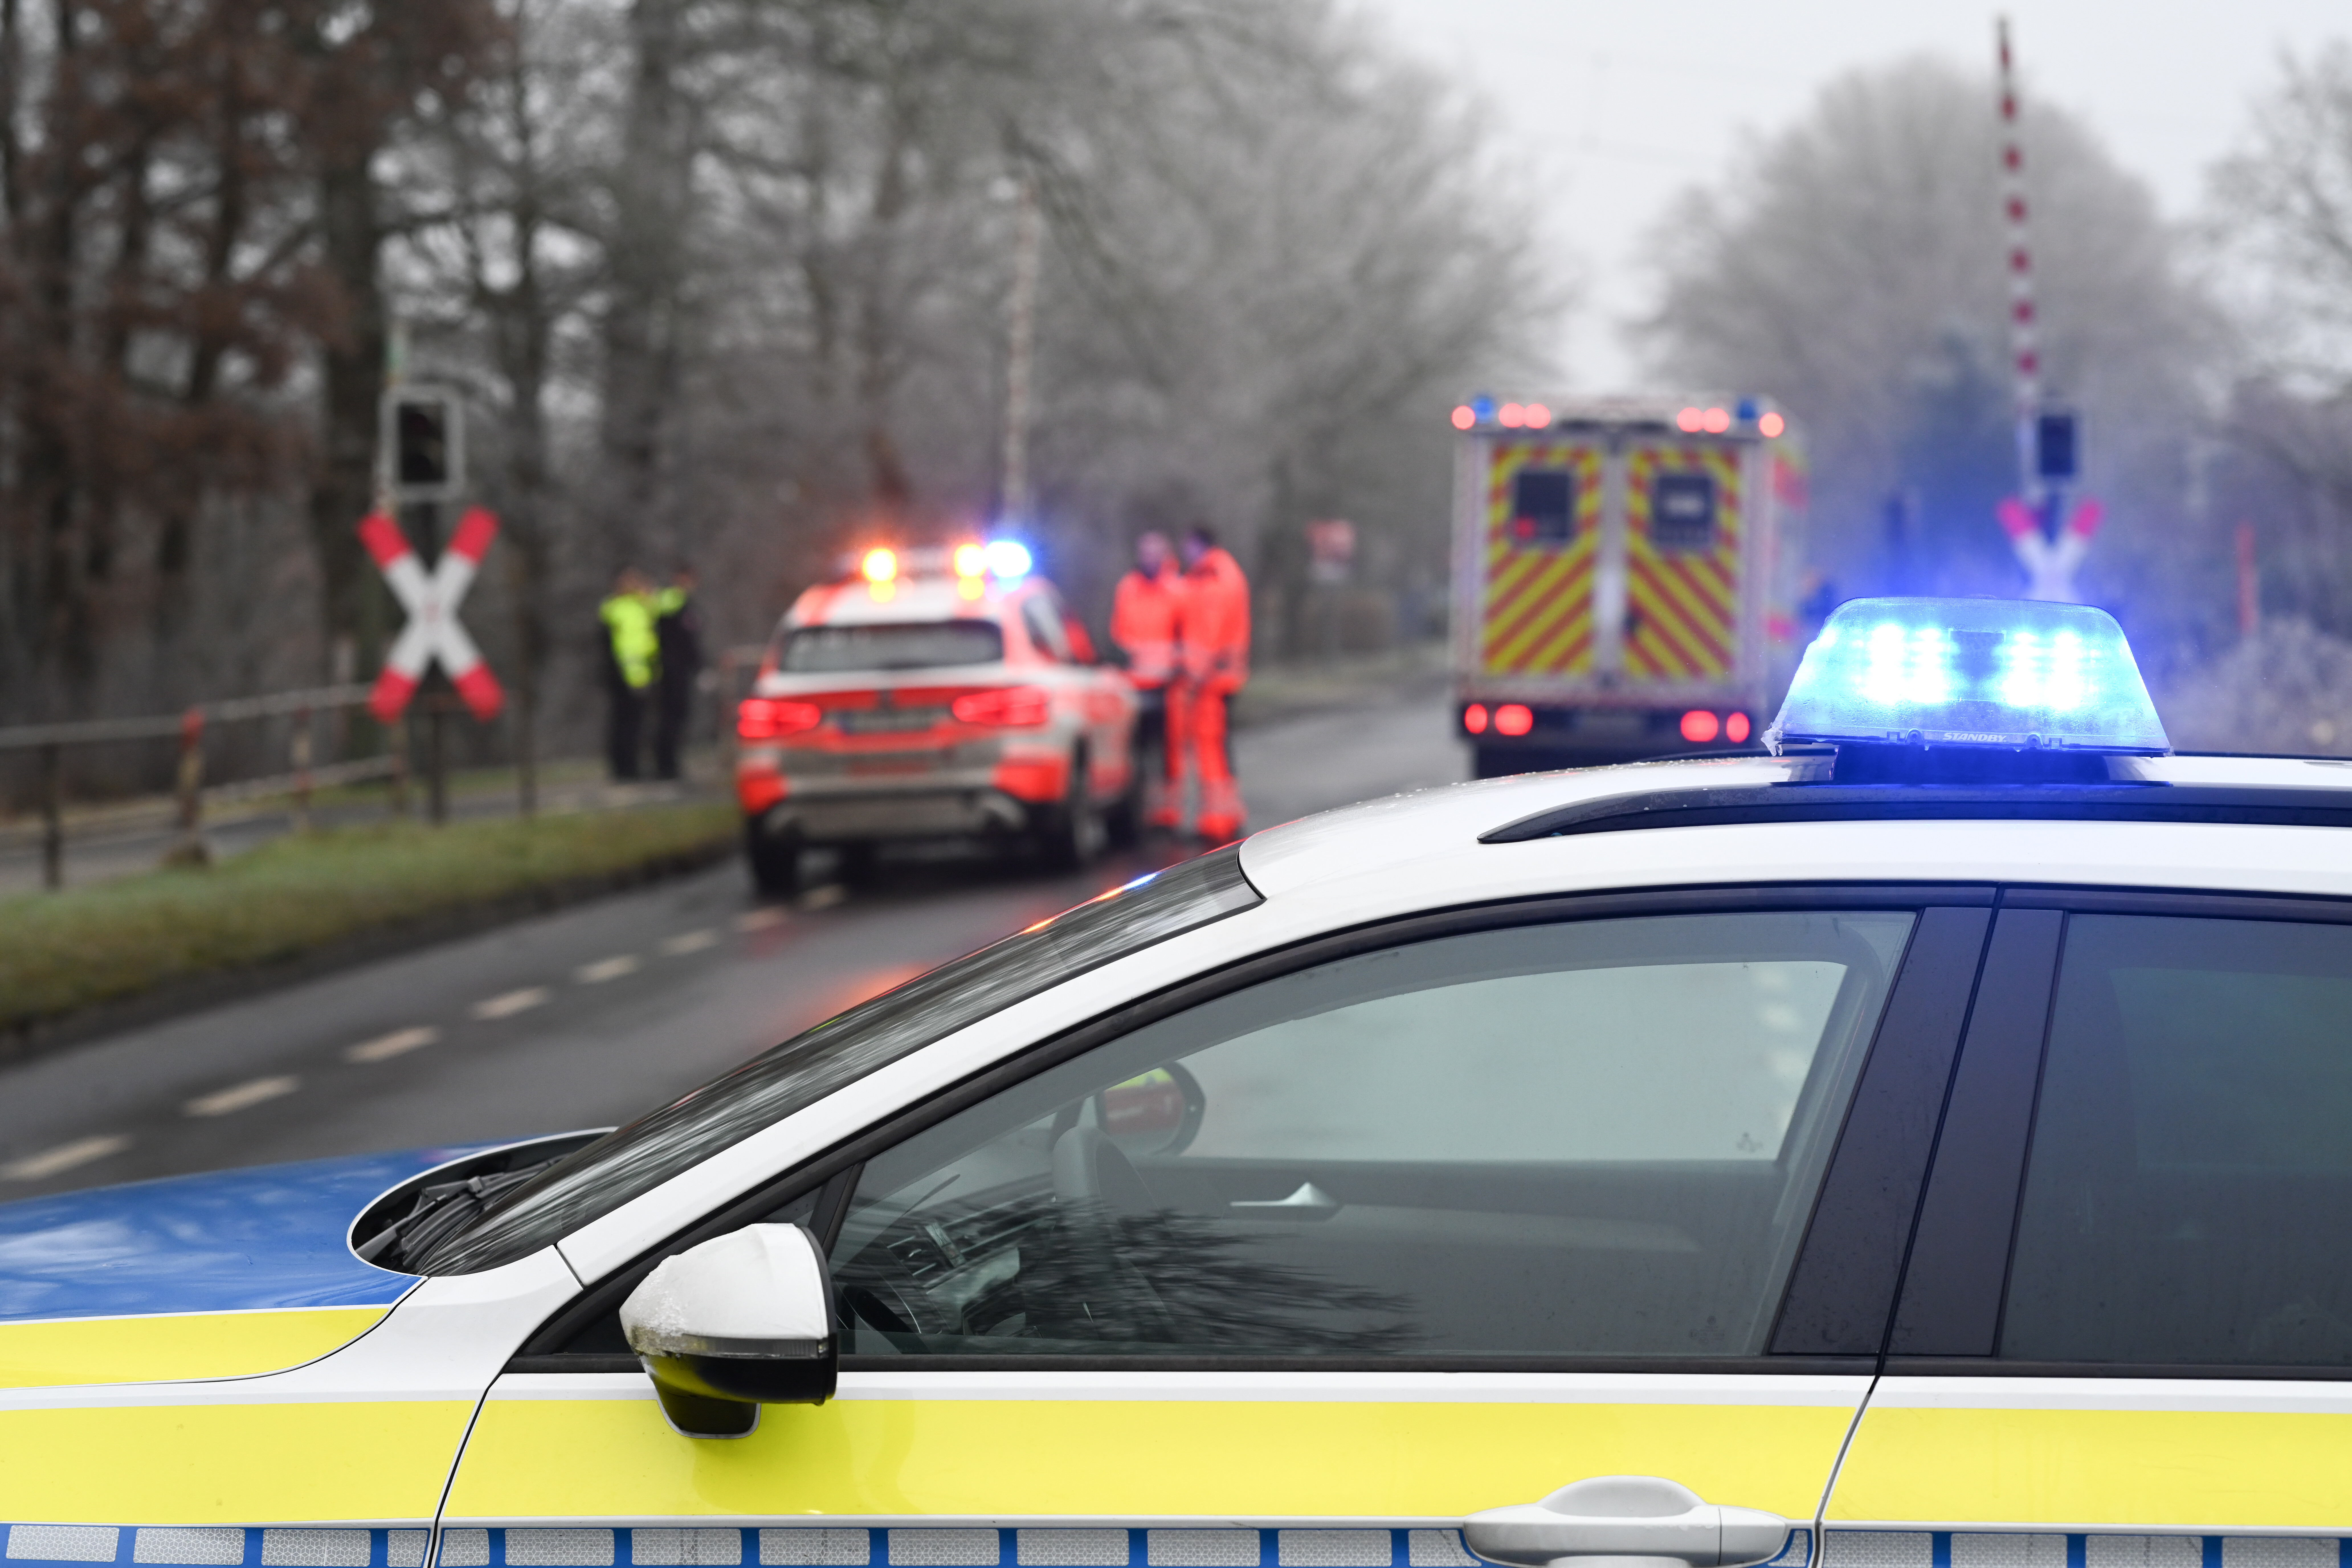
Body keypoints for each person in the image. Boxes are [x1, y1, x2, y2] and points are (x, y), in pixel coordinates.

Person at [1169, 523, 1251, 841]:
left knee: (1211, 749)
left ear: (1197, 544)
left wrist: (1194, 676)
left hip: (1212, 680)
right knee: (1218, 749)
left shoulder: (1216, 577)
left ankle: (1218, 821)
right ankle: (1226, 814)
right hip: (1220, 677)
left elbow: (1210, 633)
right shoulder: (1213, 574)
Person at [1110, 530, 1183, 829]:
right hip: (1134, 686)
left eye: (1156, 553)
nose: (1150, 558)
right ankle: (1139, 812)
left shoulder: (1178, 589)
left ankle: (1168, 814)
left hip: (1169, 686)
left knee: (1168, 754)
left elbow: (1187, 635)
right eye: (1146, 552)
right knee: (1136, 754)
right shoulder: (1128, 588)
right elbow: (1118, 631)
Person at [599, 568, 658, 780]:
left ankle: (631, 767)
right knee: (625, 725)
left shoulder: (641, 606)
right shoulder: (616, 608)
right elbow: (620, 647)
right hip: (625, 676)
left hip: (641, 674)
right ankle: (624, 770)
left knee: (635, 725)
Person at [652, 567, 705, 782]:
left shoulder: (684, 603)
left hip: (680, 669)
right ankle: (666, 765)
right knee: (671, 717)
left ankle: (671, 764)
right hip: (670, 669)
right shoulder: (672, 600)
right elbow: (678, 638)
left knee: (677, 717)